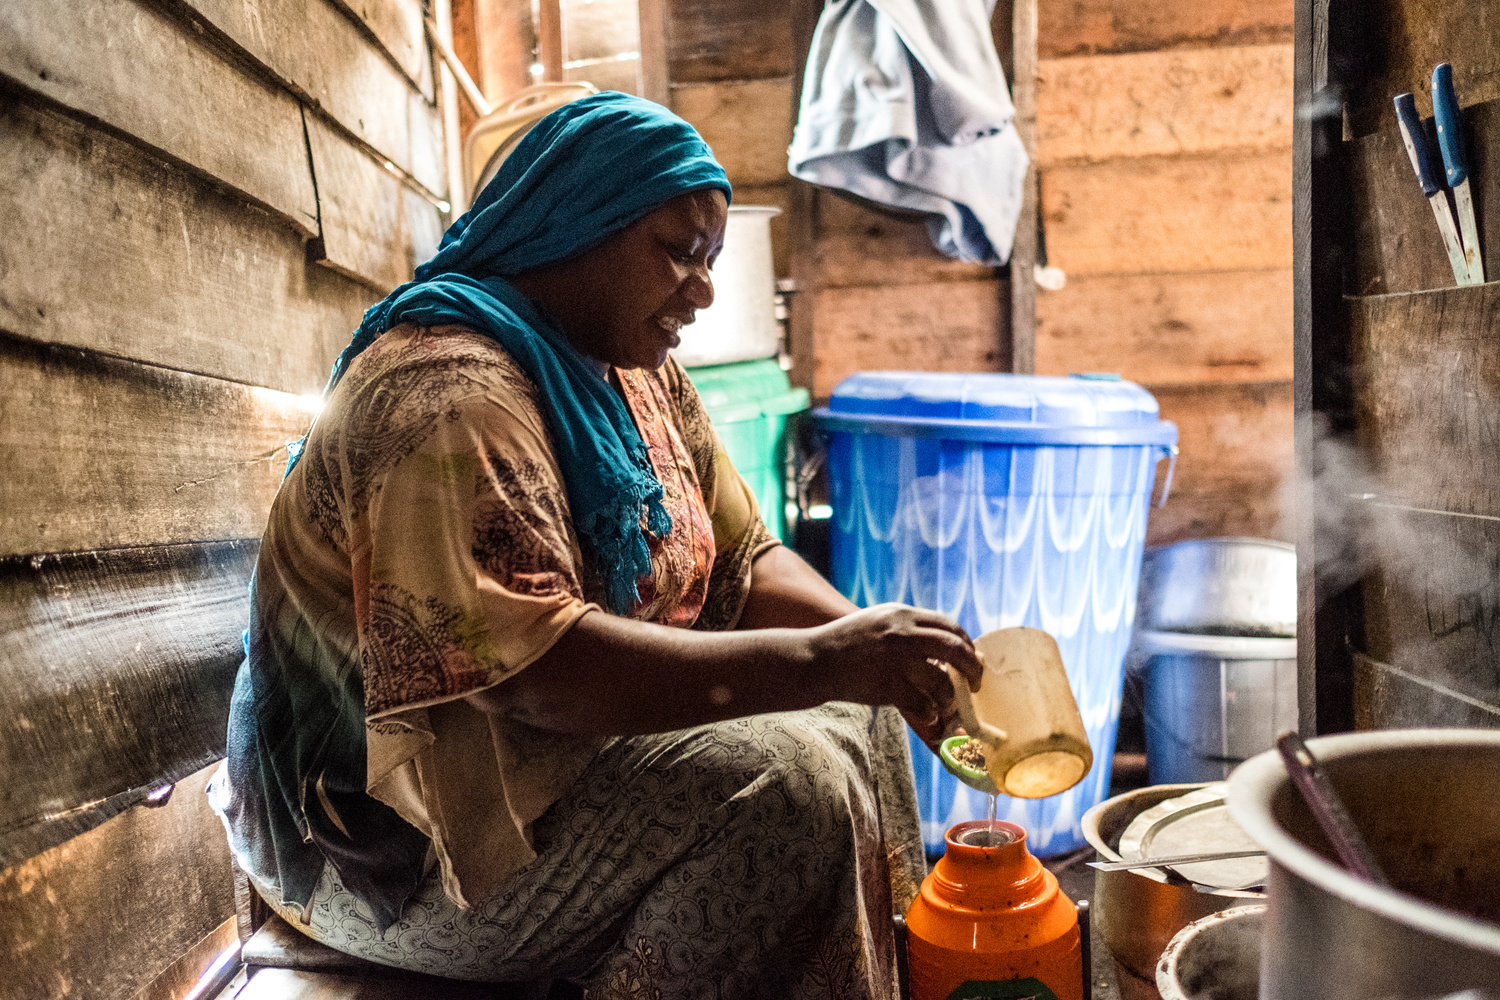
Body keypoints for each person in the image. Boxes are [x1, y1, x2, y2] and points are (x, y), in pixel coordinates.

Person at [208, 91, 982, 1000]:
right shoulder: (446, 400)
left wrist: (882, 657)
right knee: (786, 793)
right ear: (574, 226)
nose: (703, 290)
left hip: (547, 764)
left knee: (860, 712)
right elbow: (537, 676)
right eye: (679, 252)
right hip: (385, 850)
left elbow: (741, 560)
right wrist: (825, 659)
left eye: (710, 261)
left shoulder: (629, 372)